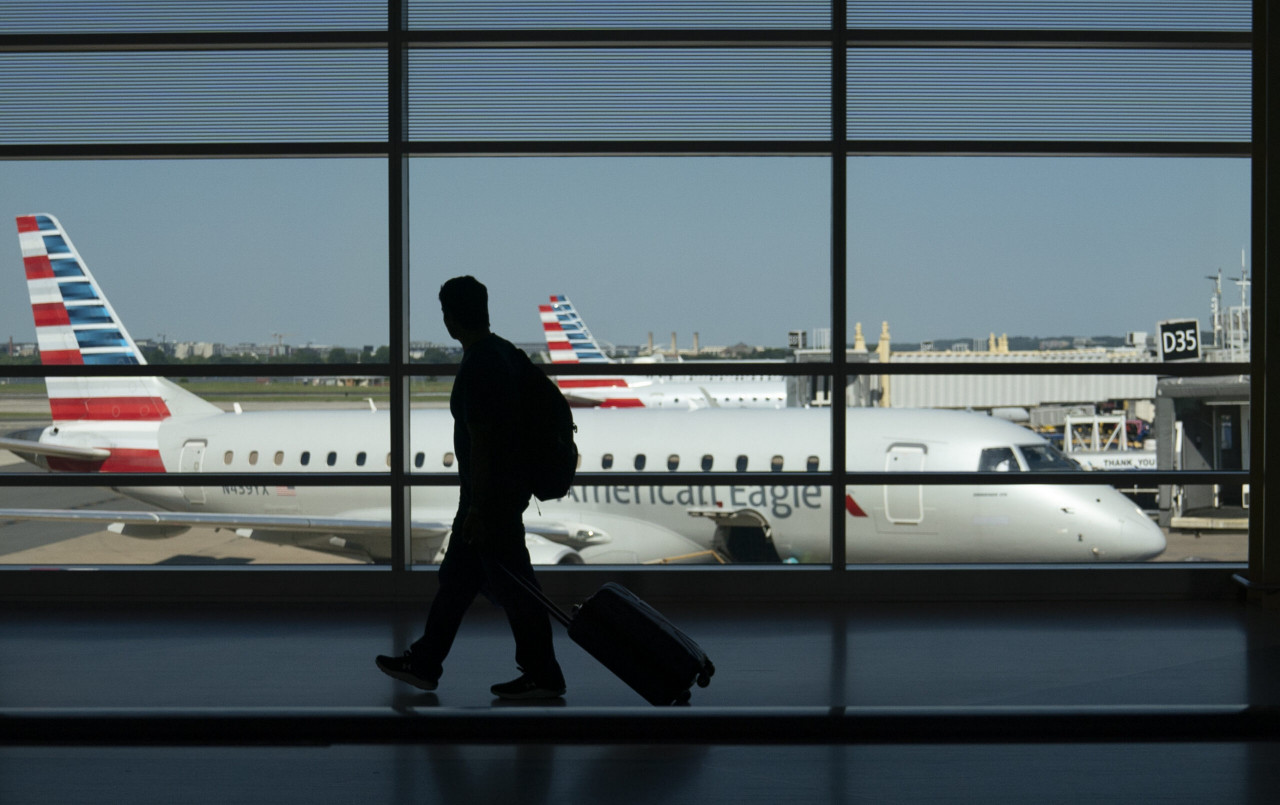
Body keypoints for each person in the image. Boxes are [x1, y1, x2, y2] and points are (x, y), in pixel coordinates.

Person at [377, 275, 567, 700]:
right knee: (462, 580)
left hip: (489, 497)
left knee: (514, 588)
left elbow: (485, 443)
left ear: (450, 318)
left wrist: (478, 508)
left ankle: (541, 673)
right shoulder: (504, 353)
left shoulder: (481, 364)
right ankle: (428, 663)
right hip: (502, 492)